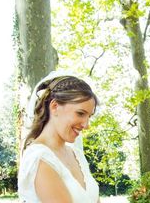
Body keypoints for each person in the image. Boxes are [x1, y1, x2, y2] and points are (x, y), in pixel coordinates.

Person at [18, 74, 100, 203]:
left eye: (89, 116)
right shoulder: (40, 158)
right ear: (55, 106)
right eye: (80, 113)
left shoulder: (77, 155)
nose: (86, 125)